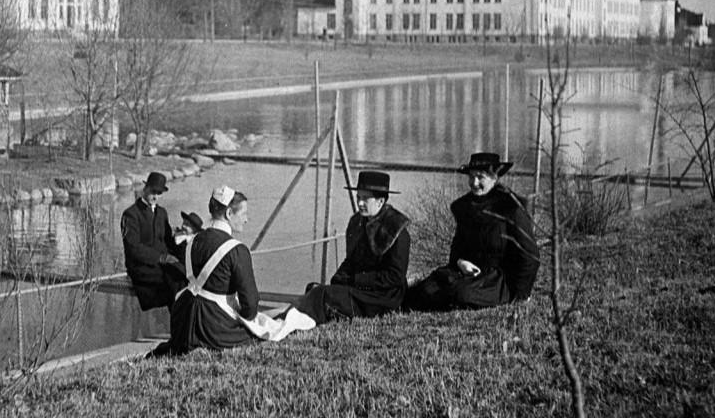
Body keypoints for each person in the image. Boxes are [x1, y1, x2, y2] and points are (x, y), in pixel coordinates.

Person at [167, 185, 314, 355]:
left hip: (183, 319)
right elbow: (250, 304)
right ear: (229, 214)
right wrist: (243, 318)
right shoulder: (237, 250)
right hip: (212, 326)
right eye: (243, 214)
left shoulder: (192, 241)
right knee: (269, 330)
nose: (246, 219)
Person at [406, 152, 540, 311]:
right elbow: (456, 251)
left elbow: (530, 256)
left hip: (498, 280)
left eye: (480, 177)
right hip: (465, 273)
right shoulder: (464, 207)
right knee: (424, 290)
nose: (474, 183)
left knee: (462, 294)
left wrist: (521, 295)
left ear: (494, 178)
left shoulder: (511, 207)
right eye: (471, 177)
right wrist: (461, 263)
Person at [294, 171, 411, 324]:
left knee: (324, 295)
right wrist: (339, 278)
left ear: (380, 201)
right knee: (315, 290)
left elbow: (395, 277)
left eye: (365, 199)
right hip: (361, 290)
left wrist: (356, 280)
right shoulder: (358, 222)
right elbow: (352, 260)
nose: (360, 203)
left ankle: (298, 323)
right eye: (358, 198)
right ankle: (294, 321)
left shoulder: (396, 229)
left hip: (384, 298)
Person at [122, 172, 183, 312]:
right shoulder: (131, 214)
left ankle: (180, 326)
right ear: (145, 188)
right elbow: (133, 248)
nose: (155, 196)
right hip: (141, 266)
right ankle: (178, 326)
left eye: (159, 193)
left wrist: (185, 240)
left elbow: (168, 241)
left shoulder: (162, 213)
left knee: (184, 278)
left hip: (161, 265)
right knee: (173, 284)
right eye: (153, 192)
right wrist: (161, 257)